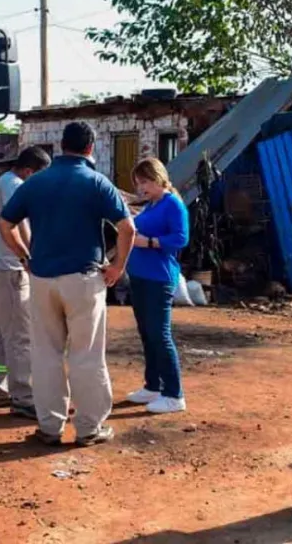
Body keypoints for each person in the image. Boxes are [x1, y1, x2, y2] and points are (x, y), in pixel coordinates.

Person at [0, 121, 136, 447]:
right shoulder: (97, 182)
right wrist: (117, 267)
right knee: (86, 355)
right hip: (84, 280)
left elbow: (6, 223)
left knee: (45, 354)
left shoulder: (35, 183)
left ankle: (50, 427)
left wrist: (25, 256)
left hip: (43, 280)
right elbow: (127, 228)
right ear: (90, 147)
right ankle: (89, 429)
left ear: (62, 145)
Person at [0, 146, 52, 418]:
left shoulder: (4, 182)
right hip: (9, 269)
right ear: (28, 171)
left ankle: (0, 388)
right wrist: (29, 256)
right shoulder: (14, 185)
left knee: (5, 335)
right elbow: (17, 222)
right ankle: (23, 395)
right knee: (21, 337)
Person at [125, 158, 190, 414]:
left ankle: (174, 394)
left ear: (159, 178)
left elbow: (180, 238)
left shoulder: (173, 204)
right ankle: (153, 385)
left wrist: (148, 242)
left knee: (159, 335)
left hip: (158, 278)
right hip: (140, 276)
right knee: (147, 333)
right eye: (139, 183)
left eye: (146, 181)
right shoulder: (152, 205)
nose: (142, 187)